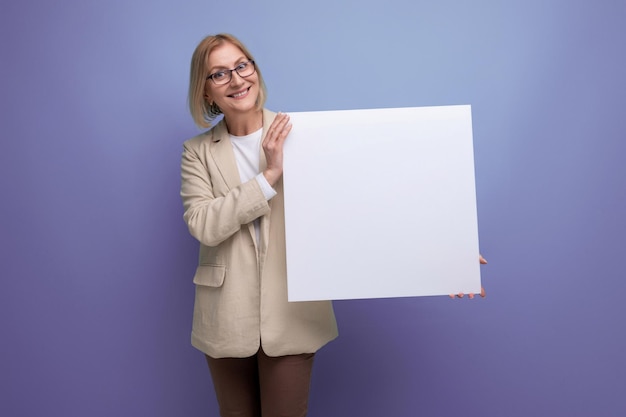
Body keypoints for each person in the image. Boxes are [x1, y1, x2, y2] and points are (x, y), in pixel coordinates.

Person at [180, 33, 338, 417]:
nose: (236, 79)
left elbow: (351, 213)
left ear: (254, 69)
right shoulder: (197, 152)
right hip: (225, 316)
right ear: (206, 93)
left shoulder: (301, 135)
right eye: (219, 74)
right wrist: (269, 177)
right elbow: (203, 224)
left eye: (241, 65)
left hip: (292, 311)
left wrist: (443, 257)